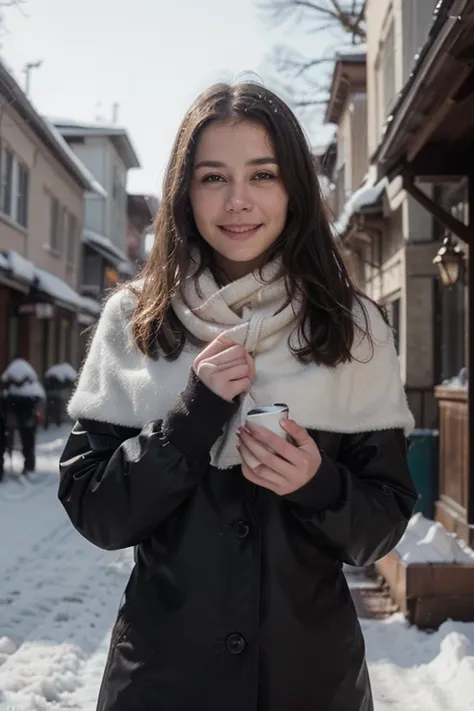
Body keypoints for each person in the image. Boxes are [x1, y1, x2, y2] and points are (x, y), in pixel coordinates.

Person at [58, 82, 417, 711]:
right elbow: (98, 513)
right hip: (162, 684)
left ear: (296, 188)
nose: (238, 200)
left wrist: (317, 483)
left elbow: (379, 530)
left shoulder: (353, 329)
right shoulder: (135, 321)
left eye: (263, 174)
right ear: (184, 192)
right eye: (213, 177)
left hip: (310, 686)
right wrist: (189, 423)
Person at [0, 356, 45, 476]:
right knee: (28, 442)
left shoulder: (9, 382)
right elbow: (40, 397)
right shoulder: (32, 385)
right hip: (27, 418)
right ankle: (29, 466)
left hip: (11, 417)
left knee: (6, 442)